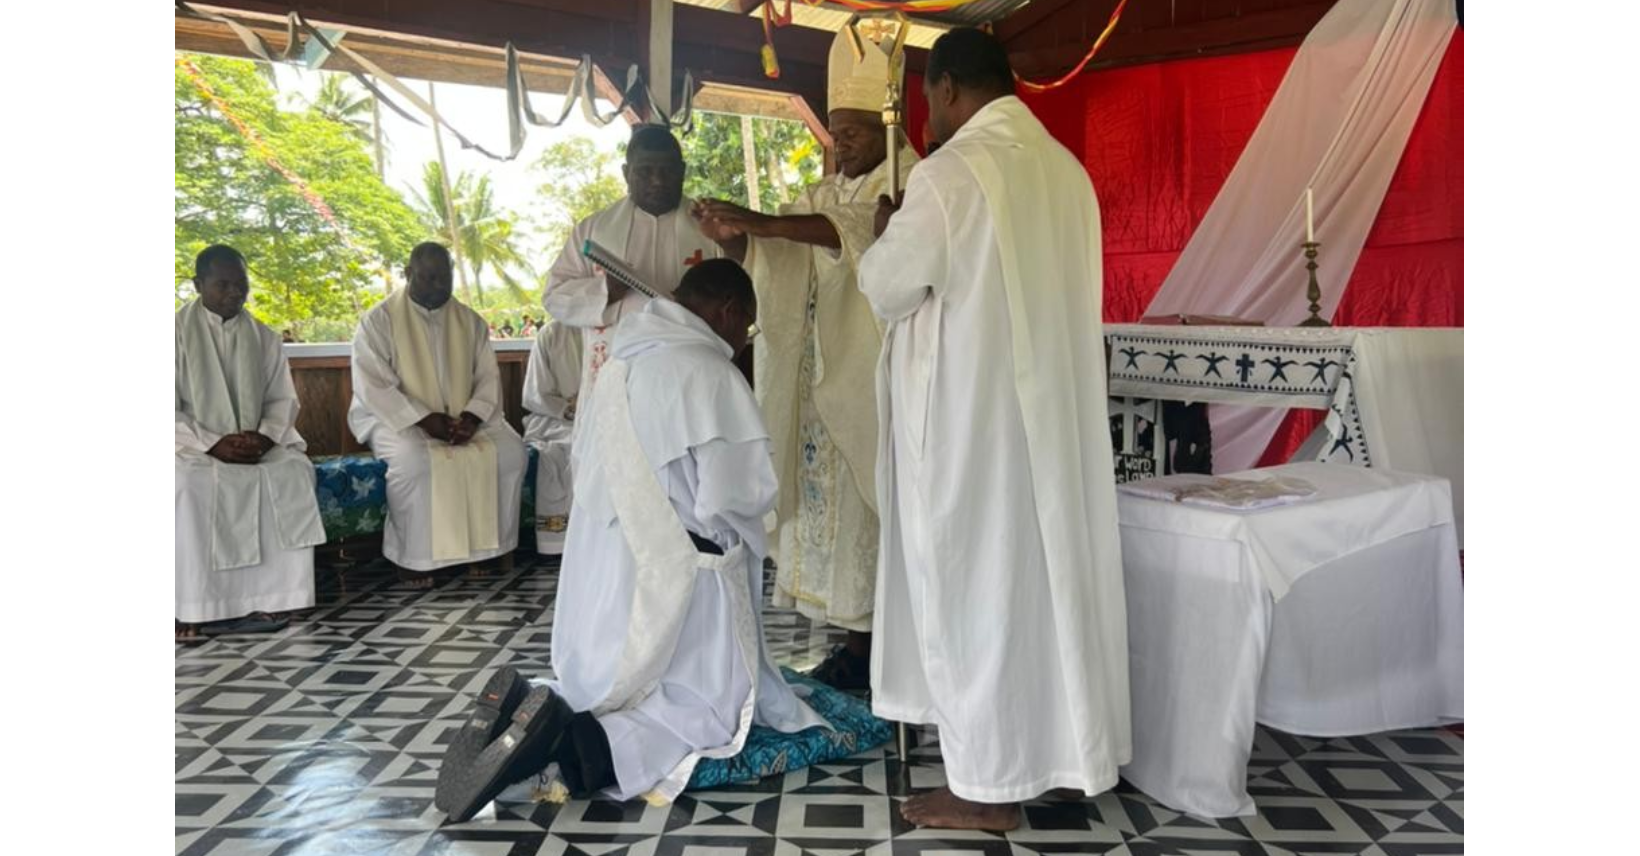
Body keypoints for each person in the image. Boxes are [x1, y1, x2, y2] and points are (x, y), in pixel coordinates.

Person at [857, 28, 1131, 831]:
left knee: (973, 589)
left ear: (942, 90)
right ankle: (1060, 756)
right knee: (1043, 591)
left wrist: (884, 229)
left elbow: (886, 284)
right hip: (1051, 430)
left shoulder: (949, 175)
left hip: (971, 430)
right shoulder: (1067, 173)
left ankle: (984, 787)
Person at [436, 260, 827, 821]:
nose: (743, 340)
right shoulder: (710, 374)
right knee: (700, 709)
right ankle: (575, 752)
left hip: (601, 572)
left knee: (614, 678)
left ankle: (539, 710)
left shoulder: (619, 364)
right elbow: (733, 497)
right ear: (729, 311)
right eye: (749, 327)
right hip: (679, 583)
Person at [691, 23, 916, 688]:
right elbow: (779, 257)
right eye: (836, 132)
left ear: (887, 128)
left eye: (852, 132)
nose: (840, 144)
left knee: (871, 514)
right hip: (818, 389)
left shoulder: (911, 181)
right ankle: (853, 640)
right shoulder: (824, 191)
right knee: (830, 517)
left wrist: (760, 221)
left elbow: (848, 236)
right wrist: (737, 237)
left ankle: (886, 642)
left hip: (873, 383)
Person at [347, 242, 527, 587]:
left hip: (464, 418)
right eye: (428, 278)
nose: (438, 286)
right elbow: (374, 387)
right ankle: (415, 559)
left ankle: (489, 551)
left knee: (509, 453)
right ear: (408, 274)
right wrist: (424, 419)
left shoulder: (469, 322)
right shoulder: (378, 321)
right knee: (415, 460)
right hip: (394, 417)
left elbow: (487, 379)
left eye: (444, 278)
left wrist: (472, 418)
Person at [176, 244, 325, 641]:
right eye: (222, 284)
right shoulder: (172, 334)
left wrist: (263, 437)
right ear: (198, 284)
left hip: (254, 443)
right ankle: (194, 605)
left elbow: (282, 399)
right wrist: (212, 443)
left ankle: (279, 595)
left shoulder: (263, 336)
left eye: (240, 284)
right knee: (190, 485)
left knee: (294, 472)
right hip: (191, 446)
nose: (233, 293)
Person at [543, 124, 721, 410]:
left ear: (683, 171)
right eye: (645, 171)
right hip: (618, 376)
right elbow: (554, 296)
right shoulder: (594, 229)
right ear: (626, 173)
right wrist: (605, 291)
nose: (657, 181)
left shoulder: (710, 228)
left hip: (687, 373)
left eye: (667, 170)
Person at [521, 319, 583, 555]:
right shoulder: (551, 334)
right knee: (558, 453)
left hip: (604, 416)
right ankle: (560, 539)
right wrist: (568, 408)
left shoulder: (615, 328)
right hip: (556, 419)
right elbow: (535, 393)